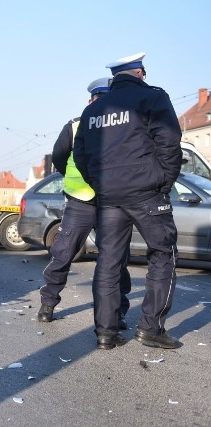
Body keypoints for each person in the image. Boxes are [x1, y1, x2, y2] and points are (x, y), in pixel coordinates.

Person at [73, 52, 183, 350]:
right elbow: (170, 143)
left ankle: (106, 334)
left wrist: (98, 182)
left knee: (108, 262)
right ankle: (151, 328)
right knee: (163, 254)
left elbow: (80, 155)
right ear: (140, 73)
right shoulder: (152, 98)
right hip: (147, 192)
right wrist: (164, 180)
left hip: (108, 196)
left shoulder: (94, 110)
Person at [38, 77, 132, 336]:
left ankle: (118, 311)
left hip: (110, 202)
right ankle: (48, 303)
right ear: (90, 100)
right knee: (66, 252)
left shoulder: (121, 124)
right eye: (97, 99)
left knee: (114, 259)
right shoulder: (76, 126)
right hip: (83, 201)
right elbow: (59, 157)